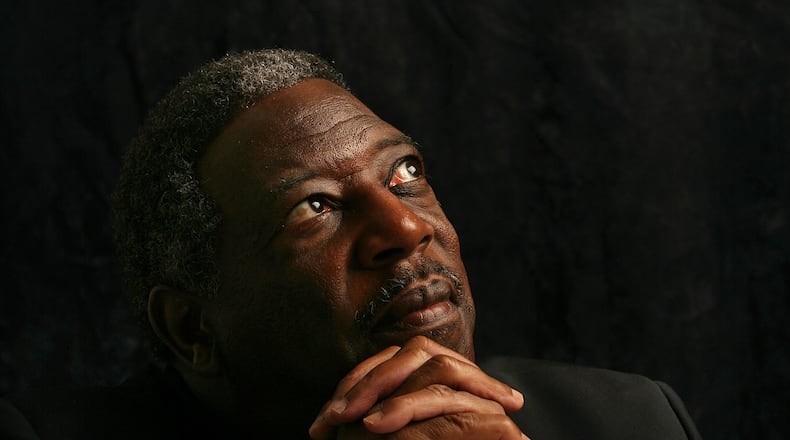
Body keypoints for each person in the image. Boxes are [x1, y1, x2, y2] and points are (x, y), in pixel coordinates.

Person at [1, 49, 702, 439]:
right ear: (191, 327)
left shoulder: (630, 421)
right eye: (316, 207)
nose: (406, 229)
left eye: (405, 174)